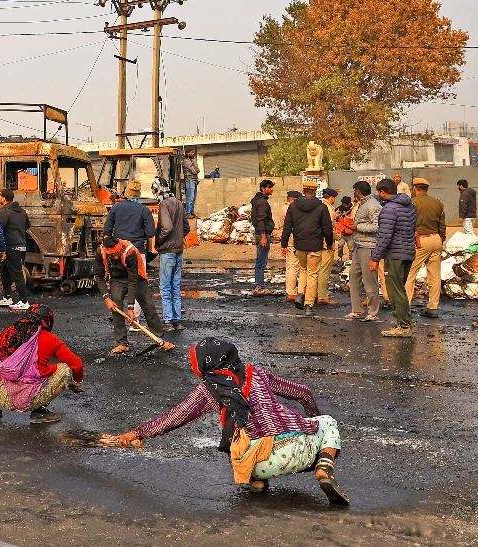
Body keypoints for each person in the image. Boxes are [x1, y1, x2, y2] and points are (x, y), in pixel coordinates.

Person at [109, 338, 349, 505]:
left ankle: (257, 481)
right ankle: (324, 465)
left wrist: (137, 433)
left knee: (240, 434)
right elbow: (303, 393)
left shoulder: (209, 389)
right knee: (327, 422)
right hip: (300, 450)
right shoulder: (258, 372)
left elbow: (175, 417)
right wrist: (310, 428)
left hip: (257, 463)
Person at [0, 305, 84, 424]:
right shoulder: (50, 338)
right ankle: (39, 411)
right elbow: (77, 364)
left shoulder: (7, 333)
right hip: (30, 399)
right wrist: (77, 383)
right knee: (64, 369)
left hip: (1, 395)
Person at [97, 233, 175, 354]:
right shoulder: (100, 252)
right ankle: (122, 343)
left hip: (136, 278)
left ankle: (159, 338)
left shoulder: (130, 251)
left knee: (148, 305)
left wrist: (130, 307)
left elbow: (132, 281)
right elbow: (99, 276)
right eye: (112, 255)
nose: (115, 257)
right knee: (115, 305)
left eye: (117, 254)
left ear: (119, 248)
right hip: (117, 278)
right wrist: (106, 298)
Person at [371, 178, 417, 338]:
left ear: (382, 192)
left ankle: (404, 326)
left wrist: (375, 258)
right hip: (408, 252)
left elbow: (384, 236)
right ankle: (406, 322)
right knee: (401, 289)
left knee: (395, 291)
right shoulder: (410, 206)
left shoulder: (389, 209)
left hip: (395, 254)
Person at [280, 181, 333, 317]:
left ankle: (300, 294)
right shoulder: (322, 207)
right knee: (313, 274)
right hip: (315, 245)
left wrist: (284, 244)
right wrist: (329, 243)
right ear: (315, 192)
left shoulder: (293, 207)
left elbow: (287, 227)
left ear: (303, 191)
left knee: (303, 270)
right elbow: (327, 228)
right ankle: (309, 304)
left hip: (299, 244)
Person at [406, 178, 445, 320]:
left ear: (415, 188)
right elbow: (442, 225)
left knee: (410, 273)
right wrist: (441, 239)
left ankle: (405, 308)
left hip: (420, 240)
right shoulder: (438, 203)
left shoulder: (412, 203)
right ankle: (433, 307)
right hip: (436, 239)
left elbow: (408, 223)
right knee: (434, 276)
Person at [346, 181, 382, 321]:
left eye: (355, 191)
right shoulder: (362, 204)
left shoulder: (372, 205)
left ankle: (372, 312)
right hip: (358, 245)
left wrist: (357, 227)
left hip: (369, 246)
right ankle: (357, 310)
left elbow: (376, 227)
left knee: (369, 281)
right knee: (354, 277)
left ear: (358, 192)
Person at [155, 179, 189, 327]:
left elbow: (166, 228)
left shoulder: (164, 204)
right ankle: (176, 319)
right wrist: (178, 237)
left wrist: (159, 242)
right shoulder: (178, 202)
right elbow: (186, 227)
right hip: (178, 250)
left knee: (165, 286)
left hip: (167, 251)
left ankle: (168, 320)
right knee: (175, 285)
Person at [0, 188, 31, 311]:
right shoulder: (21, 211)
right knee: (4, 270)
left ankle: (24, 301)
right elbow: (27, 225)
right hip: (21, 244)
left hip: (11, 246)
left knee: (17, 274)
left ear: (4, 198)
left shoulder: (5, 212)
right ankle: (7, 297)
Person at [102, 180, 155, 255]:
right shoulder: (144, 210)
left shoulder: (115, 208)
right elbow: (151, 233)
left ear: (126, 193)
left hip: (119, 250)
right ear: (138, 194)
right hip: (138, 250)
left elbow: (106, 230)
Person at [250, 179, 276, 295]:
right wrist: (264, 236)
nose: (271, 189)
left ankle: (258, 285)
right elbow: (261, 220)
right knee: (261, 262)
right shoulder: (262, 203)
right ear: (263, 188)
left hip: (260, 233)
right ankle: (260, 287)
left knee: (260, 261)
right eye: (269, 187)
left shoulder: (258, 201)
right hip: (262, 234)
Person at [315, 188, 340, 305]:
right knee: (324, 270)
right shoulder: (328, 209)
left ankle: (315, 293)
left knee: (317, 269)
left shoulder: (318, 205)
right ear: (331, 197)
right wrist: (335, 238)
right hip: (327, 243)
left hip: (318, 242)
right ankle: (322, 295)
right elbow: (328, 229)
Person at [282, 191, 303, 302]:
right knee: (294, 267)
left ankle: (290, 291)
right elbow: (289, 227)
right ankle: (291, 292)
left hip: (288, 241)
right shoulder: (290, 209)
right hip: (292, 241)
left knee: (291, 267)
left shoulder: (283, 207)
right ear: (293, 199)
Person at [335, 196, 355, 263]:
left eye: (347, 204)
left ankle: (351, 260)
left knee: (351, 248)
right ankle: (339, 258)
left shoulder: (354, 209)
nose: (345, 206)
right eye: (344, 204)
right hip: (342, 232)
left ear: (350, 203)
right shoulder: (339, 209)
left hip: (350, 233)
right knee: (340, 246)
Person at [182, 149, 201, 218]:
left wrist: (195, 168)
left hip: (194, 181)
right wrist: (195, 169)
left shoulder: (192, 161)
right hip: (190, 181)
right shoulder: (186, 161)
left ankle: (192, 213)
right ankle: (188, 213)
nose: (193, 153)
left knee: (193, 198)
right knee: (190, 197)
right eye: (191, 152)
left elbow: (198, 170)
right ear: (187, 153)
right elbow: (194, 171)